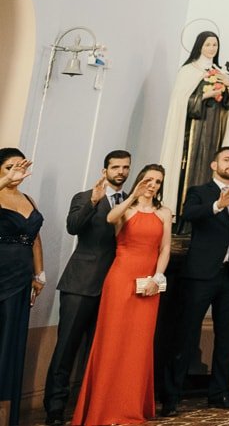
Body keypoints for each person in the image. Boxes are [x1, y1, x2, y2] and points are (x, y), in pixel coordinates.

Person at [161, 145, 229, 414]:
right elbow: (189, 215)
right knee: (186, 335)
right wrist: (218, 205)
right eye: (226, 159)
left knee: (227, 338)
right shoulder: (198, 192)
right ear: (214, 165)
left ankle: (220, 393)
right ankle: (172, 396)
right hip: (200, 275)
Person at [71, 164, 171, 426]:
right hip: (120, 280)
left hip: (149, 284)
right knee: (113, 341)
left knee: (138, 344)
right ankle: (105, 406)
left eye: (158, 182)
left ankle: (130, 405)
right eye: (148, 180)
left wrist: (157, 278)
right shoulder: (127, 211)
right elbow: (110, 218)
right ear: (139, 181)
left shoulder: (164, 213)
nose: (153, 185)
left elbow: (165, 248)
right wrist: (133, 196)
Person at [44, 150, 131, 426]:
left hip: (115, 286)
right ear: (105, 170)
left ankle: (92, 404)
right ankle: (55, 408)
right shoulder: (84, 196)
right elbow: (73, 227)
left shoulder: (132, 202)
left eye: (125, 167)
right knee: (66, 347)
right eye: (115, 167)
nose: (121, 171)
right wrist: (93, 201)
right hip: (81, 283)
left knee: (101, 350)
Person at [160, 31, 229, 218]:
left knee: (210, 167)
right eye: (208, 44)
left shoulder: (219, 72)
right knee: (189, 169)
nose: (212, 48)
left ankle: (211, 211)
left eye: (215, 45)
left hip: (213, 129)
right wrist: (205, 96)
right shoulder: (188, 71)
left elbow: (228, 103)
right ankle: (183, 219)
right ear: (200, 46)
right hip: (192, 130)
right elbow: (181, 101)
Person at [0, 149, 43, 426]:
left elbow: (34, 239)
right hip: (0, 276)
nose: (16, 172)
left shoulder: (28, 199)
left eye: (19, 166)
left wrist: (40, 274)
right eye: (9, 167)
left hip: (21, 279)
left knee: (11, 345)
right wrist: (4, 182)